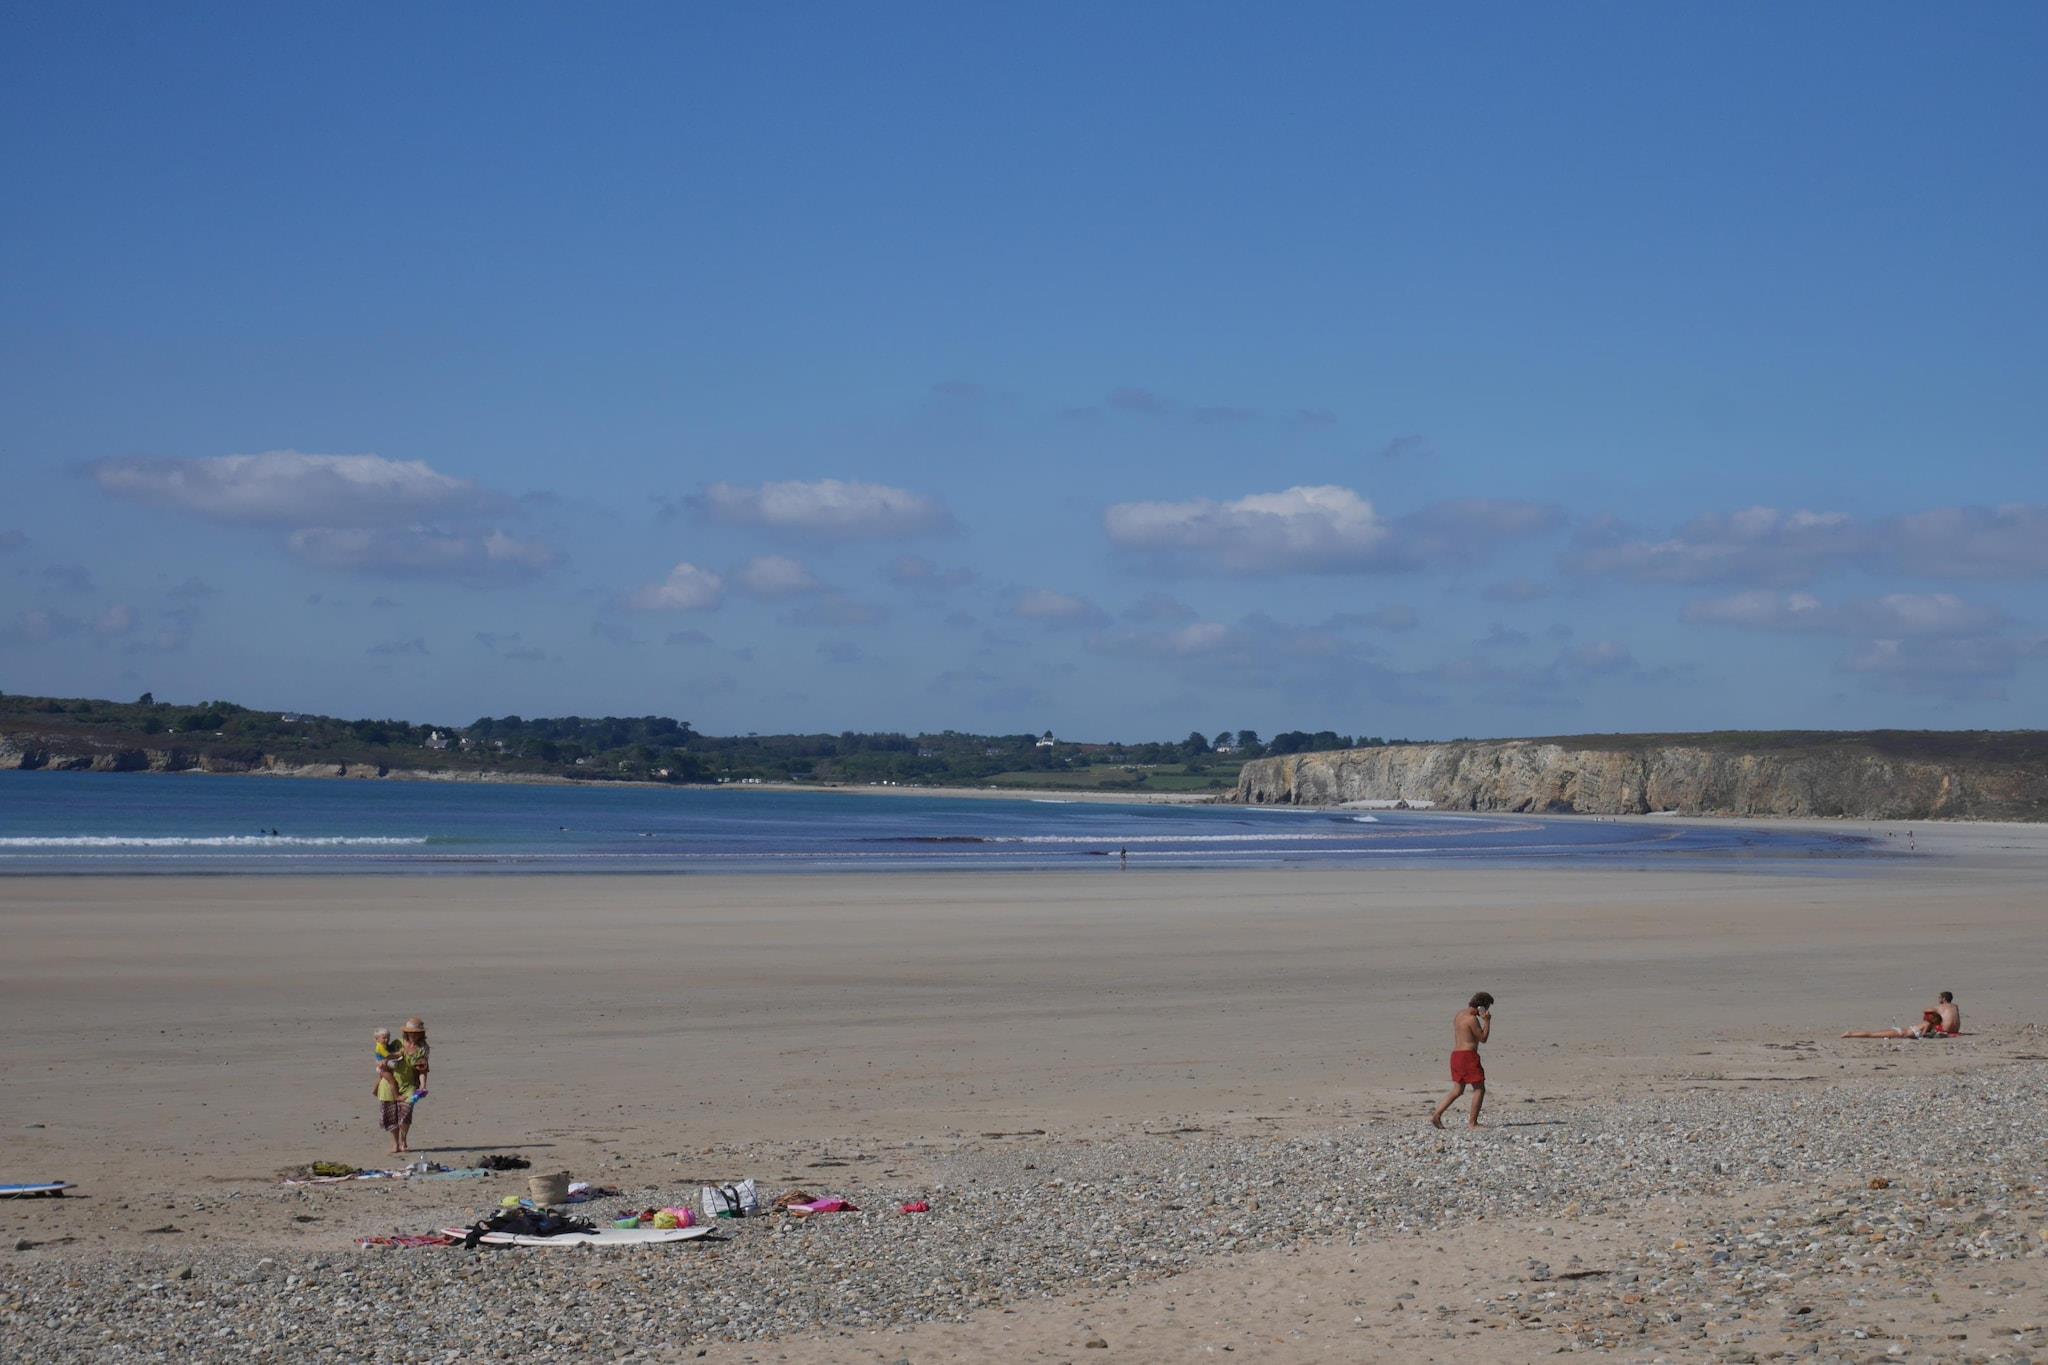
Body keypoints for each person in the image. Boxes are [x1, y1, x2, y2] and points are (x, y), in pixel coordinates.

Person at [1430, 992, 1493, 1129]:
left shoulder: (1459, 1015)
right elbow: (1483, 1038)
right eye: (1487, 1007)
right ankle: (1473, 1123)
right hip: (1468, 1056)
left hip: (1456, 1055)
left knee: (1458, 1089)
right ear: (1482, 1007)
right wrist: (1487, 1021)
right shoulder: (1472, 1019)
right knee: (1479, 1089)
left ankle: (1436, 1114)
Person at [389, 1017, 431, 1154]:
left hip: (410, 1084)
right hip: (392, 1082)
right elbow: (382, 1057)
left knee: (406, 1112)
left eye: (416, 1033)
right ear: (406, 1032)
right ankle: (395, 1143)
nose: (413, 1035)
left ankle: (403, 1141)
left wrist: (423, 1086)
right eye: (411, 1032)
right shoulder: (397, 1044)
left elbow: (422, 1070)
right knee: (392, 1114)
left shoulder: (422, 1049)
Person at [372, 1029, 406, 1154]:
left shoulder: (387, 1045)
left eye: (388, 1037)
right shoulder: (380, 1047)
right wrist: (397, 1055)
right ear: (377, 1039)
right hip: (384, 1072)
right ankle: (396, 1095)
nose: (386, 1040)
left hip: (384, 1070)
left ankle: (401, 1143)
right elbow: (387, 1056)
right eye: (384, 1038)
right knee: (391, 1081)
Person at [1842, 1008, 1947, 1040]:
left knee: (1873, 1034)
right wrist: (1934, 1035)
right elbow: (1923, 1036)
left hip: (1900, 1031)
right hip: (1900, 1033)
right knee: (1872, 1035)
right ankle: (1850, 1034)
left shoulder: (1925, 1023)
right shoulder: (1928, 1025)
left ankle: (1851, 1034)